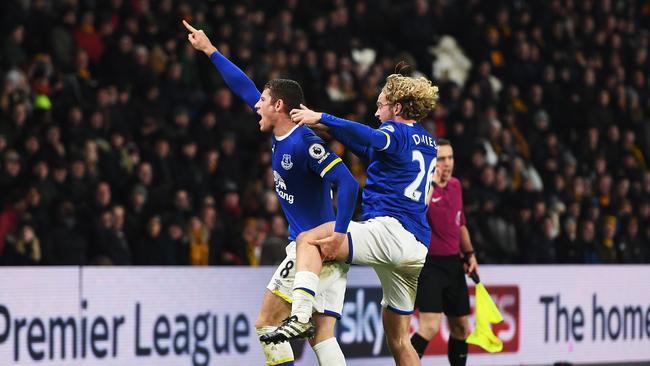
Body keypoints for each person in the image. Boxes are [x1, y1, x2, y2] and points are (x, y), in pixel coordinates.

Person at [183, 20, 359, 366]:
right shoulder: (282, 135)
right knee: (323, 337)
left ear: (279, 106)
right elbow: (244, 88)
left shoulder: (304, 143)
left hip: (314, 249)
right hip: (324, 252)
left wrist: (337, 235)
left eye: (264, 100)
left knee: (266, 324)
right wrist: (210, 50)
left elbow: (349, 183)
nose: (257, 105)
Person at [264, 72, 439, 366]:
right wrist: (323, 125)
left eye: (381, 105)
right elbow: (366, 148)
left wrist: (323, 115)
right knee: (399, 340)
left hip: (390, 232)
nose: (376, 111)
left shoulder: (396, 133)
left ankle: (301, 315)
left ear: (397, 108)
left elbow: (371, 137)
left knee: (310, 239)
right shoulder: (428, 142)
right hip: (417, 247)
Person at [409, 139, 479, 366]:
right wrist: (431, 185)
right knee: (429, 326)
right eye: (441, 159)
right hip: (430, 266)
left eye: (450, 158)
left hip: (454, 265)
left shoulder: (456, 186)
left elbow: (460, 224)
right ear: (432, 161)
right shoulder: (422, 187)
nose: (447, 164)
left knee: (461, 328)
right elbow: (417, 214)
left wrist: (469, 255)